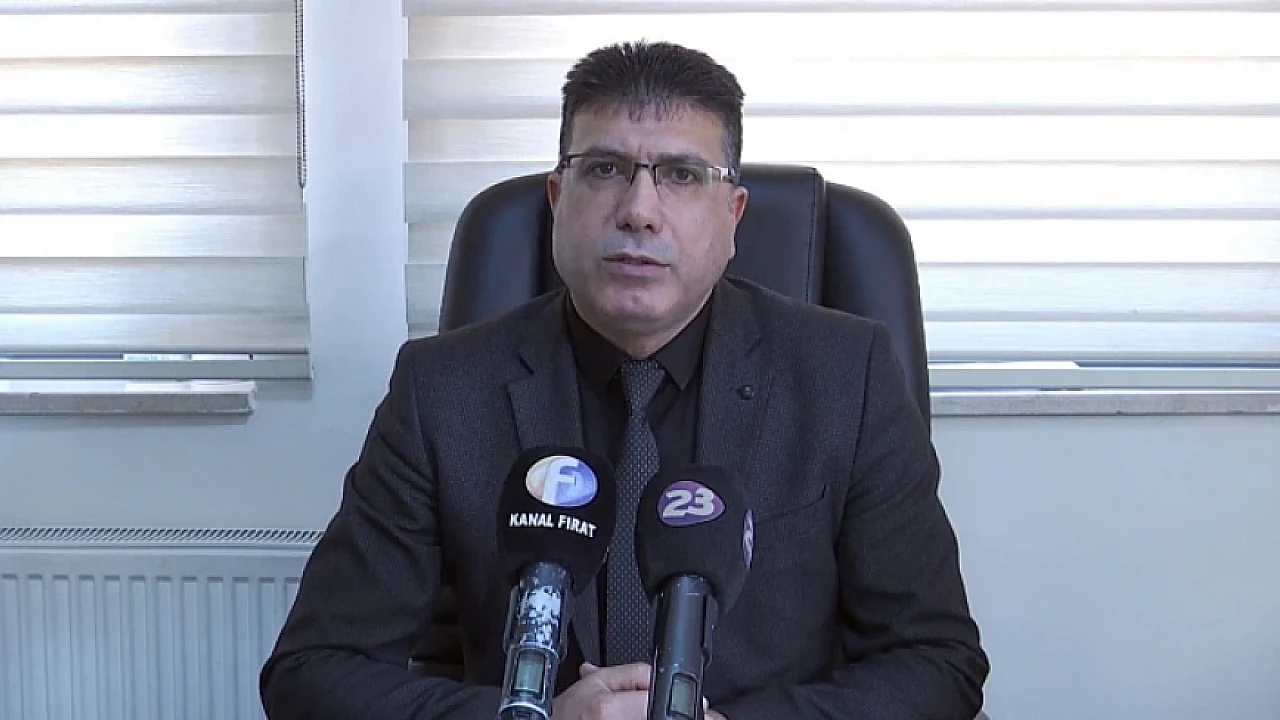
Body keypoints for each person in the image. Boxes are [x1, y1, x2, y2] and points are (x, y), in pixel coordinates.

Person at [260, 40, 989, 720]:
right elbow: (312, 670)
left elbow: (938, 663)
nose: (640, 212)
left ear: (732, 214)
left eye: (682, 175)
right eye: (605, 169)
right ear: (558, 199)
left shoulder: (847, 377)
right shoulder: (442, 390)